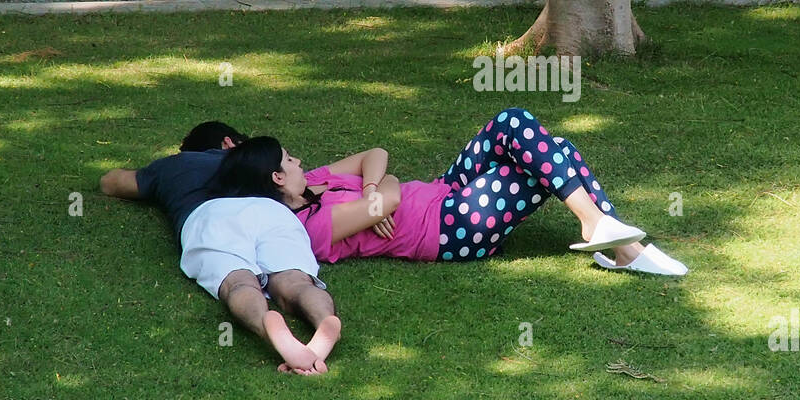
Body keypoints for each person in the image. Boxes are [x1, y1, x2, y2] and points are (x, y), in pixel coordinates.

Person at [294, 108, 688, 275]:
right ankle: (610, 236)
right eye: (287, 162)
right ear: (276, 180)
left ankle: (608, 233)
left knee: (514, 124)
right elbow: (392, 195)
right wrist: (379, 192)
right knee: (553, 158)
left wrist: (370, 188)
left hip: (442, 190)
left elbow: (377, 156)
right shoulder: (309, 228)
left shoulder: (315, 179)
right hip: (447, 230)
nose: (297, 161)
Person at [100, 122, 339, 375]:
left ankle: (265, 327)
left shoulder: (174, 166)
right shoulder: (259, 159)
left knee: (238, 283)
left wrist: (159, 178)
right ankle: (324, 320)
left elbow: (110, 183)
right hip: (271, 211)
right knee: (296, 281)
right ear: (228, 142)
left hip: (211, 217)